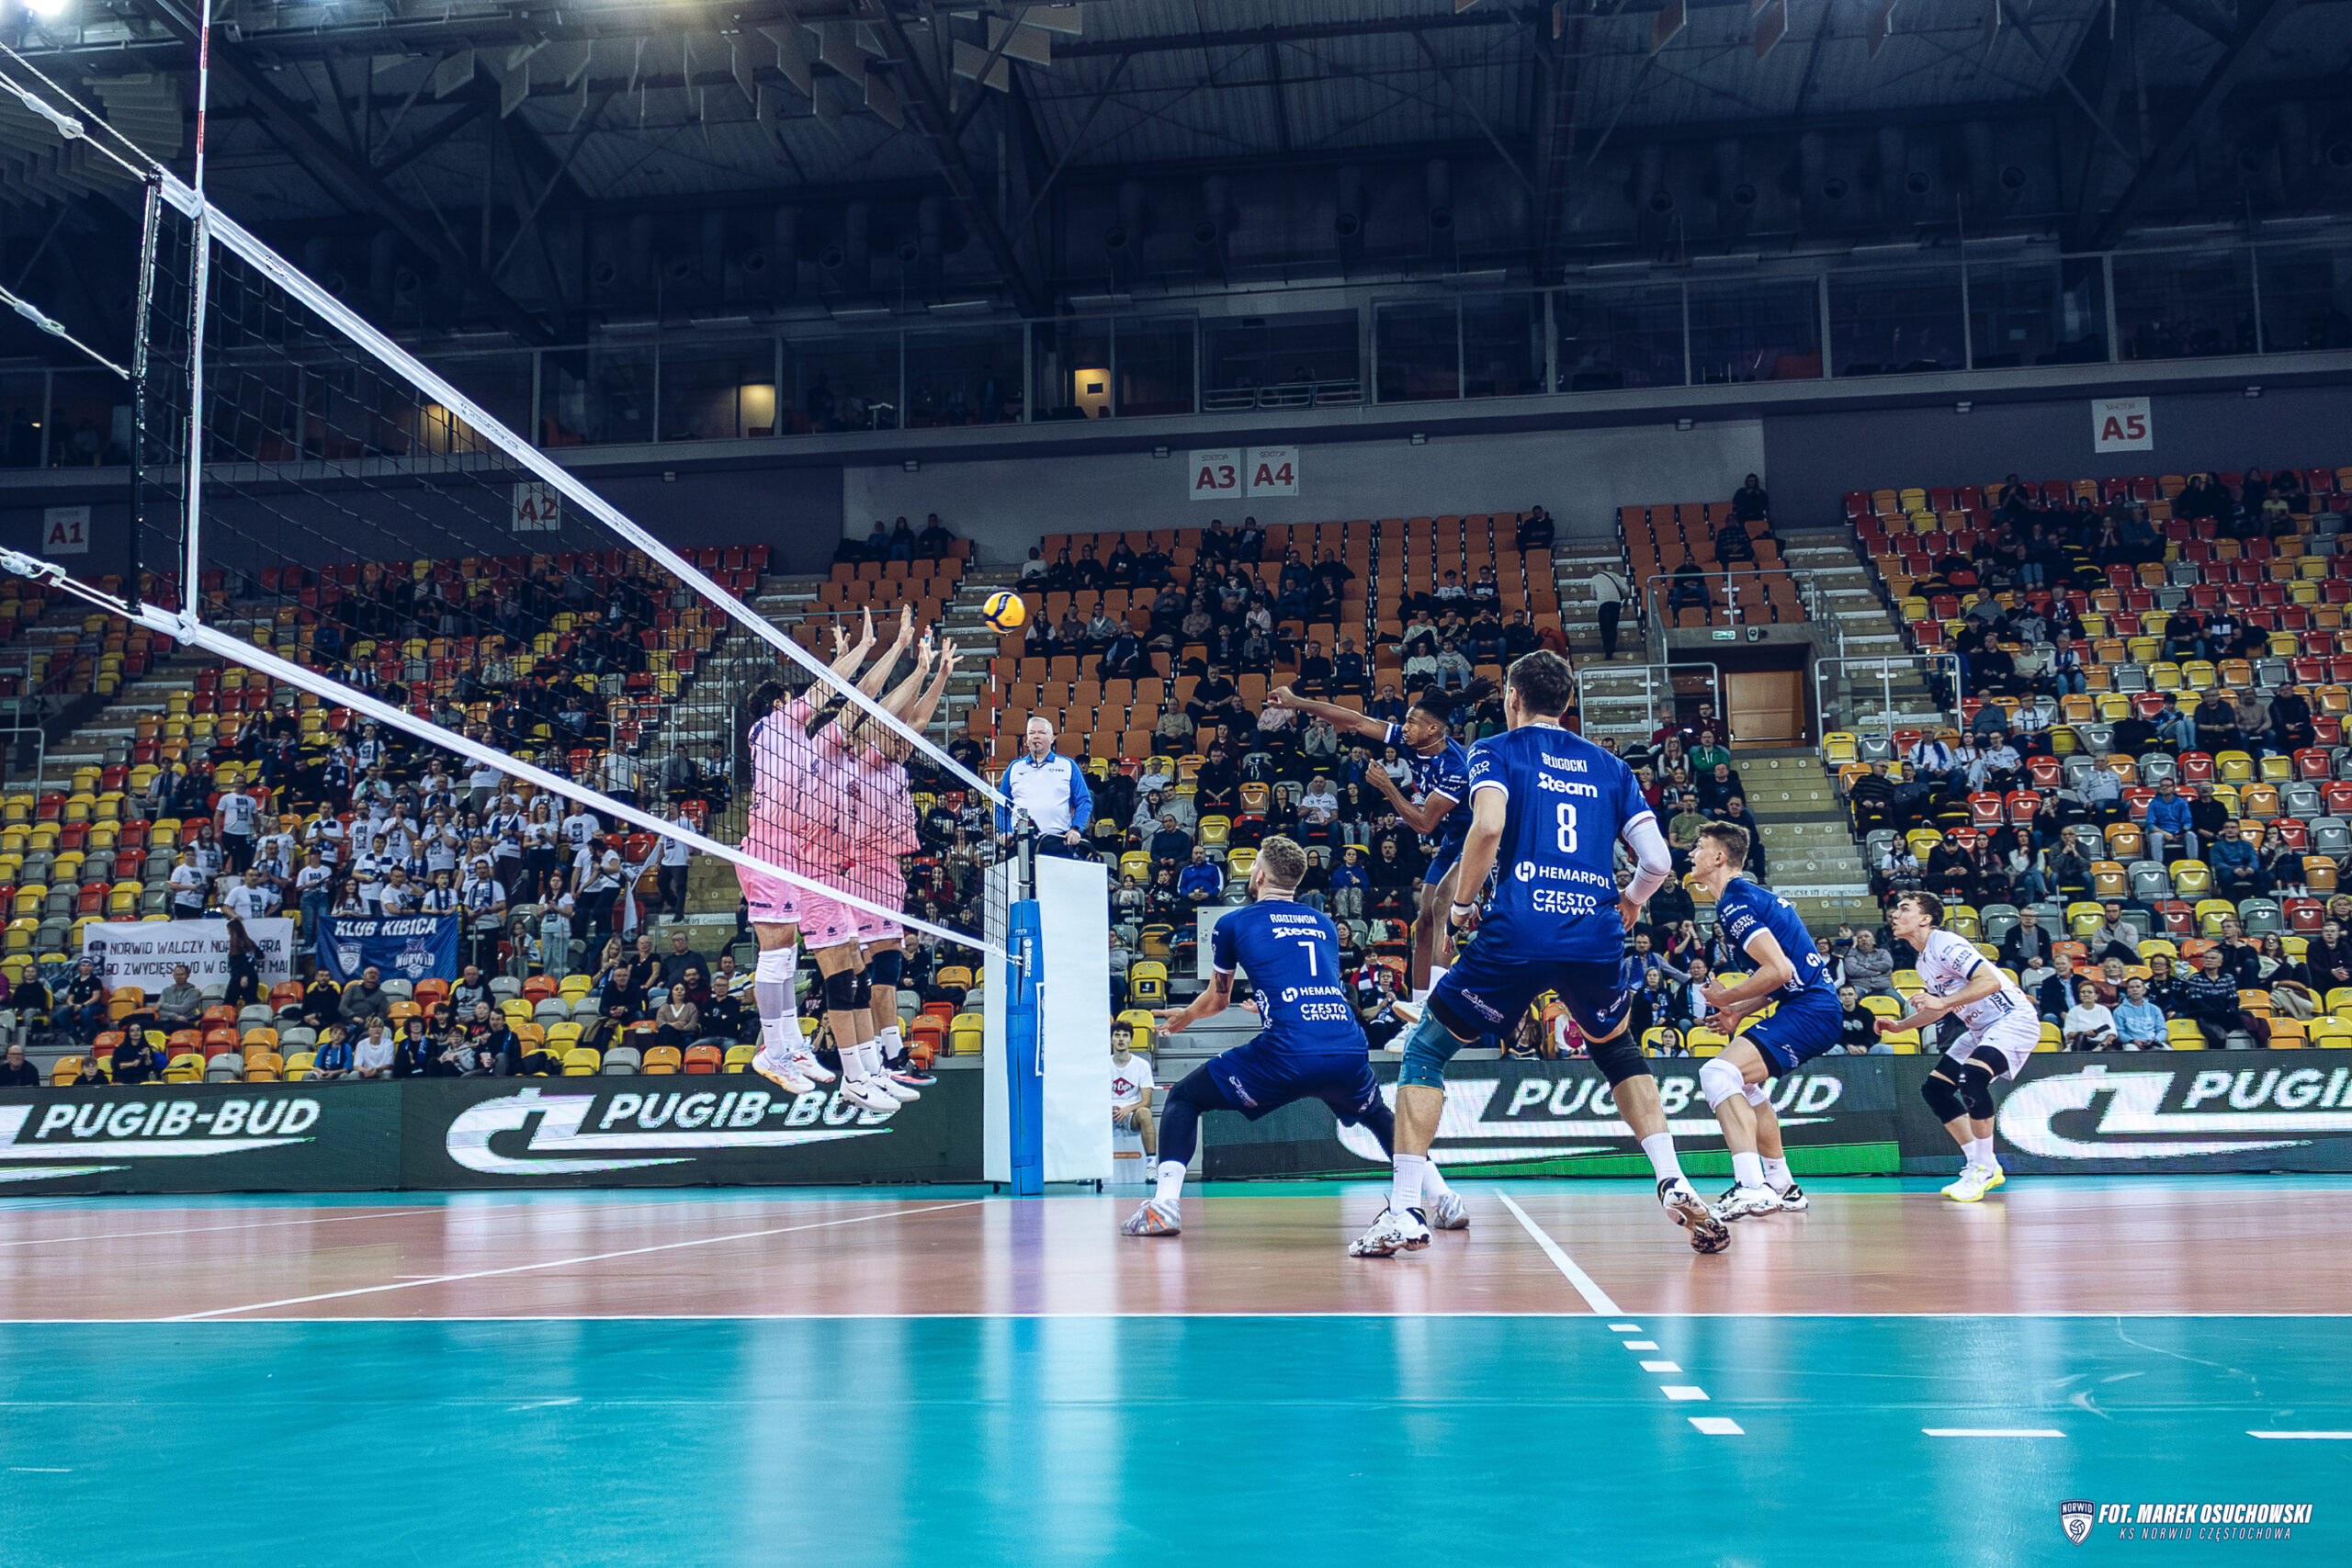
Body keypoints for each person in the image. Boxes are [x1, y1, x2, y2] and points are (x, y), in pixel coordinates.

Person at [1351, 650, 1725, 1258]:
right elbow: (1658, 861)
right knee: (1618, 1050)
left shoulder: (1495, 750)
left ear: (1513, 698)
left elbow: (1487, 827)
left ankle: (1405, 1210)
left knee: (1426, 1049)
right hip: (1594, 934)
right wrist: (1630, 902)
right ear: (1567, 703)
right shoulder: (1611, 766)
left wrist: (1462, 908)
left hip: (1519, 930)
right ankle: (1672, 1178)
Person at [1122, 837, 1439, 1241]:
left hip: (1288, 1051)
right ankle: (1444, 1198)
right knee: (1378, 1114)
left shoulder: (1234, 923)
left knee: (1185, 1097)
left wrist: (1187, 1015)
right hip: (1346, 1043)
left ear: (1259, 875)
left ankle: (1164, 1205)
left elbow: (1218, 1001)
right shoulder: (1323, 923)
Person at [738, 615, 903, 1100]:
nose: (804, 703)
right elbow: (832, 686)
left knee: (787, 953)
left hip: (791, 852)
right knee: (776, 953)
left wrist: (876, 653)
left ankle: (790, 1047)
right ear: (779, 705)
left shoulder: (808, 748)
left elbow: (857, 700)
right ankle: (773, 1050)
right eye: (795, 699)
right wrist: (865, 646)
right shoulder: (773, 726)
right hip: (767, 848)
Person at [1265, 681, 1494, 998]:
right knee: (1424, 919)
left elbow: (1424, 824)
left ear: (1432, 729)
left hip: (1479, 838)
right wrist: (1296, 702)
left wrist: (1387, 786)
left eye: (1412, 722)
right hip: (1454, 838)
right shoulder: (1408, 738)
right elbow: (1354, 720)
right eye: (1406, 720)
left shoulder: (1455, 767)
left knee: (1442, 905)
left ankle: (1440, 1003)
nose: (1404, 727)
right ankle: (1420, 1003)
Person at [1685, 822, 1833, 1218]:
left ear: (1719, 857)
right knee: (1746, 1086)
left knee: (1717, 1074)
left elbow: (1779, 971)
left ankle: (1752, 1187)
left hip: (1810, 1009)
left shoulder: (1736, 901)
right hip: (1808, 1006)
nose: (1691, 854)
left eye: (1699, 847)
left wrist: (1725, 997)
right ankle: (1783, 1186)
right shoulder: (1745, 897)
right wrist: (1738, 1011)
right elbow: (1785, 976)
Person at [1878, 892, 2038, 1202]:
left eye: (1905, 909)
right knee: (1935, 1090)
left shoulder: (1946, 943)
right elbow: (1941, 1007)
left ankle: (1985, 1168)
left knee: (1972, 1076)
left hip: (2011, 1019)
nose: (1895, 915)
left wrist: (1944, 1001)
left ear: (1925, 919)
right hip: (1980, 1029)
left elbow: (1990, 982)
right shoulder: (1923, 961)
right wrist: (1900, 1026)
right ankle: (1979, 1162)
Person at [997, 714, 1093, 858]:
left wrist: (1076, 829)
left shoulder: (1067, 765)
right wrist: (1005, 831)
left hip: (1058, 841)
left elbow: (1084, 801)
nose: (1036, 736)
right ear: (1026, 740)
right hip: (1020, 842)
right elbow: (1001, 803)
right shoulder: (1014, 767)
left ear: (1052, 738)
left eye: (1042, 732)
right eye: (1031, 733)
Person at [1109, 1021, 1156, 1158]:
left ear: (1130, 1040)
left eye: (1125, 1036)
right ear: (1111, 1039)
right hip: (1107, 1114)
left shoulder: (1142, 1065)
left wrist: (1127, 1109)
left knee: (1145, 1113)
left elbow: (1147, 1102)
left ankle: (1151, 1163)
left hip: (1131, 1115)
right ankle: (1087, 1165)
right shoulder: (1102, 1065)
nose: (1121, 1039)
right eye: (1117, 1035)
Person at [2062, 977, 2119, 1050]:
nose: (2086, 994)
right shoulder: (2073, 1011)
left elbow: (2112, 1033)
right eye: (2083, 992)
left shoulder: (2103, 1010)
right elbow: (2068, 1034)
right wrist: (2084, 1033)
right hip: (2079, 1044)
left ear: (2096, 995)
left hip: (2101, 1044)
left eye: (2089, 992)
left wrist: (2101, 1046)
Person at [1589, 562, 1629, 661]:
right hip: (1616, 603)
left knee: (1605, 628)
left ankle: (1608, 651)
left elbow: (1592, 594)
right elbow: (1626, 589)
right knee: (1613, 626)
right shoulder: (1614, 575)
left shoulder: (1595, 578)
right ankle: (1613, 646)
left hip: (1603, 604)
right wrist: (1626, 601)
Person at [2113, 976, 2166, 1050]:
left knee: (2170, 1052)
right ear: (2127, 991)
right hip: (2131, 1043)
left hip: (2153, 1042)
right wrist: (2133, 1041)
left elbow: (2162, 1029)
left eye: (2138, 987)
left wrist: (2156, 1040)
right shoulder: (2119, 1011)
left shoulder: (2155, 1009)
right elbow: (2119, 1032)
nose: (2135, 989)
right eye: (2131, 987)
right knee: (2132, 1051)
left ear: (2144, 990)